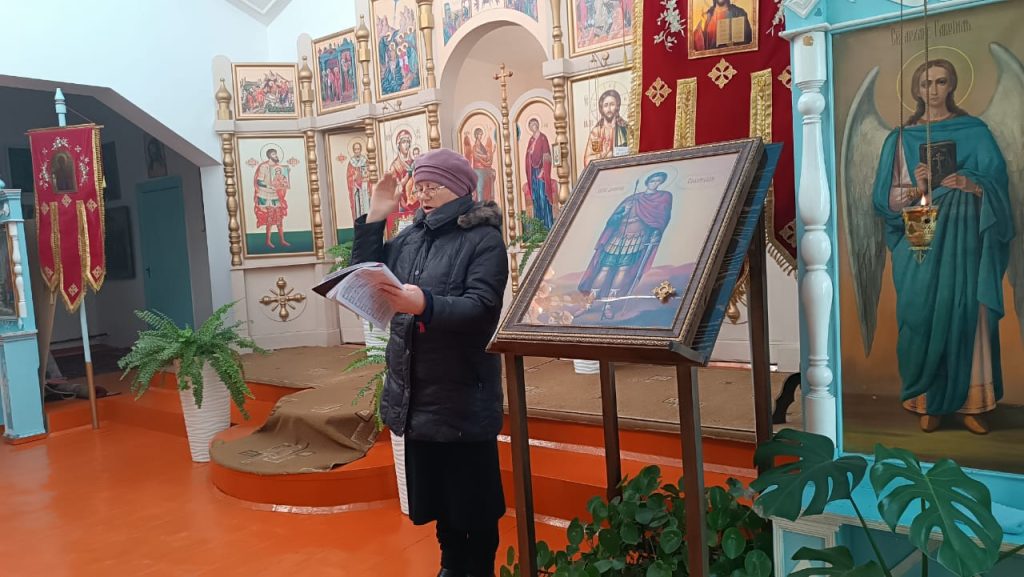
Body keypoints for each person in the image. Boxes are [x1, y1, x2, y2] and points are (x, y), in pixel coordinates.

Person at [351, 148, 508, 577]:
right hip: (417, 393)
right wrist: (376, 216)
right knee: (440, 502)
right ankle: (450, 567)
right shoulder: (411, 237)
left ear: (458, 188)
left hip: (462, 394)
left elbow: (482, 308)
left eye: (432, 186)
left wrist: (426, 304)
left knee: (474, 505)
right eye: (418, 186)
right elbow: (365, 274)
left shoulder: (484, 239)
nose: (423, 194)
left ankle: (479, 570)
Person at [870, 59, 1013, 435]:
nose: (933, 89)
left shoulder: (975, 131)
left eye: (940, 81)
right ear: (916, 90)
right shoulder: (901, 138)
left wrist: (972, 185)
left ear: (952, 85)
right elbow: (885, 202)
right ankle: (928, 401)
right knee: (922, 311)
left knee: (966, 310)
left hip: (966, 235)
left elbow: (999, 187)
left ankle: (971, 403)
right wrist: (917, 188)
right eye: (926, 83)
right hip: (922, 230)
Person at [577, 171, 673, 318]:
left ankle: (608, 305)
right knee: (604, 269)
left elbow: (661, 220)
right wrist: (622, 213)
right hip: (617, 239)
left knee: (622, 271)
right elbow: (612, 221)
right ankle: (588, 303)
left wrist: (656, 233)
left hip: (636, 240)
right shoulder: (632, 199)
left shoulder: (661, 198)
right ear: (647, 182)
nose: (655, 183)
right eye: (653, 180)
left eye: (659, 181)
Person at [582, 89, 629, 167]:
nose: (609, 109)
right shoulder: (596, 132)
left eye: (612, 104)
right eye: (606, 105)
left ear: (617, 107)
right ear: (601, 109)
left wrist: (613, 154)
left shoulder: (625, 129)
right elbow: (587, 161)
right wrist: (603, 154)